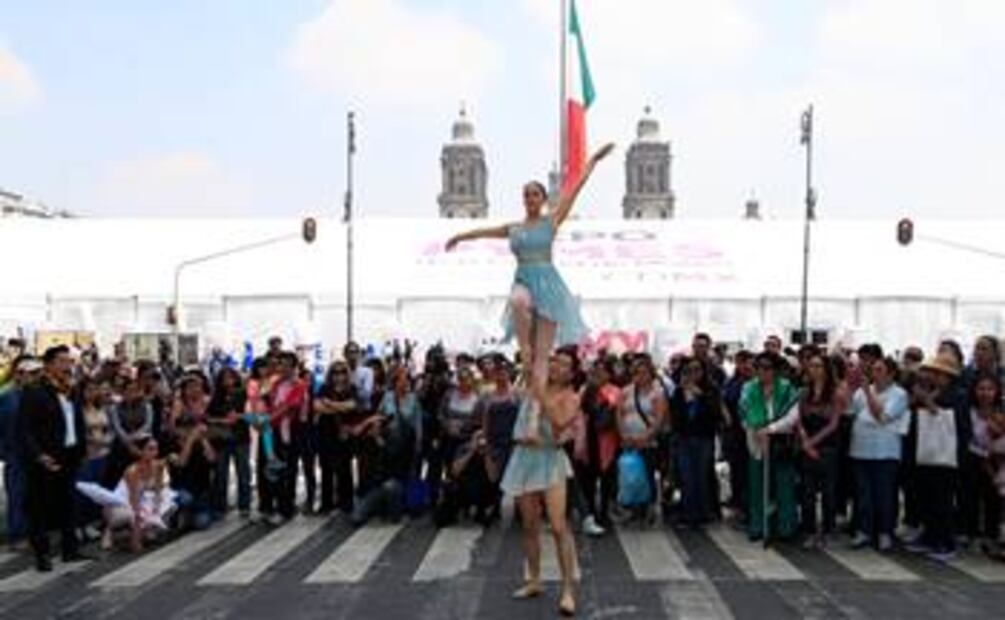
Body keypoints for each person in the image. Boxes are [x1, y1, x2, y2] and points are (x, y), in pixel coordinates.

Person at [446, 143, 615, 443]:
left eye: (535, 194)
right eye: (526, 195)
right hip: (524, 279)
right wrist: (459, 236)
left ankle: (535, 421)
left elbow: (575, 190)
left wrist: (593, 161)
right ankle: (524, 350)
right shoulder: (514, 228)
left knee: (541, 361)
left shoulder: (551, 221)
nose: (530, 199)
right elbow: (485, 231)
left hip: (548, 285)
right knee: (518, 302)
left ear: (543, 198)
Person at [500, 348, 581, 617]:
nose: (557, 366)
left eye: (564, 364)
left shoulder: (571, 397)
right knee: (529, 524)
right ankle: (534, 579)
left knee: (558, 526)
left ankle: (568, 590)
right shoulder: (532, 387)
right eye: (555, 361)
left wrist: (542, 395)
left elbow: (559, 423)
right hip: (524, 458)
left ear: (572, 373)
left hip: (551, 459)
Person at [18, 345, 89, 572]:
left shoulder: (71, 389)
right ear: (48, 365)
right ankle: (42, 554)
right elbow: (25, 429)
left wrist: (82, 448)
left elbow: (77, 420)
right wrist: (39, 455)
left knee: (68, 503)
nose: (67, 366)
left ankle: (70, 549)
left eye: (69, 361)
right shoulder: (34, 391)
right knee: (40, 507)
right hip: (46, 457)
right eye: (62, 361)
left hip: (69, 454)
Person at [905, 352, 971, 562]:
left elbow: (947, 418)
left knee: (943, 500)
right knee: (928, 498)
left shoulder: (958, 395)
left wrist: (926, 399)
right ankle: (931, 537)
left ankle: (946, 542)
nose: (934, 376)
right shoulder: (935, 391)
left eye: (938, 373)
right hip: (929, 453)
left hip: (948, 455)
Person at [848, 357, 910, 552]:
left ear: (891, 374)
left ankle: (885, 531)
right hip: (860, 449)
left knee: (884, 494)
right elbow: (853, 412)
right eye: (873, 369)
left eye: (879, 370)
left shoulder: (899, 394)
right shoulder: (860, 392)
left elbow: (882, 416)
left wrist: (868, 392)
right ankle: (864, 530)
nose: (874, 373)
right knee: (863, 493)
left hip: (885, 451)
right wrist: (860, 390)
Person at [76, 435, 176, 552]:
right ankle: (109, 530)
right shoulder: (132, 471)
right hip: (120, 504)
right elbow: (134, 503)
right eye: (150, 449)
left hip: (142, 500)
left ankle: (138, 532)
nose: (155, 453)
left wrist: (156, 512)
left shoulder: (159, 465)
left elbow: (158, 492)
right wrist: (138, 535)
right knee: (132, 516)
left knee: (168, 505)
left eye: (156, 449)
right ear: (141, 451)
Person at [742, 352, 800, 543]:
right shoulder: (749, 388)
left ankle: (786, 526)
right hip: (756, 440)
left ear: (775, 370)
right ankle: (758, 525)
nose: (762, 371)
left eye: (767, 368)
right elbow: (744, 411)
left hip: (781, 441)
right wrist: (758, 431)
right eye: (758, 367)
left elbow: (793, 416)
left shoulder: (787, 388)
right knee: (757, 485)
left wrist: (772, 429)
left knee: (784, 485)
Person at [671, 356, 725, 529]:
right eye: (689, 370)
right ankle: (689, 513)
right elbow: (675, 416)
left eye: (697, 370)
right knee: (687, 477)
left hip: (704, 438)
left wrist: (700, 397)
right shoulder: (679, 391)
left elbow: (715, 413)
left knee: (702, 475)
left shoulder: (711, 390)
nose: (694, 374)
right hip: (684, 439)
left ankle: (704, 512)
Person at [617, 354, 668, 525]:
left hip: (648, 441)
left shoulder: (657, 393)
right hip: (629, 440)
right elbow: (619, 414)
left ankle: (649, 508)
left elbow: (659, 419)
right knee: (631, 475)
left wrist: (645, 437)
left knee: (647, 474)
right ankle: (633, 509)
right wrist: (623, 434)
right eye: (637, 373)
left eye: (644, 373)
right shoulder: (626, 391)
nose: (640, 376)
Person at [0, 355, 41, 549]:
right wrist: (4, 451)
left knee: (32, 494)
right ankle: (17, 535)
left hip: (34, 452)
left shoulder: (35, 394)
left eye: (36, 373)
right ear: (18, 373)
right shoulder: (7, 396)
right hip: (15, 452)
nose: (34, 377)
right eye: (30, 373)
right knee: (17, 494)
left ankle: (31, 531)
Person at [576, 356, 621, 532]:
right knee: (588, 479)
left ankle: (604, 512)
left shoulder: (615, 391)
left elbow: (612, 407)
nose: (598, 374)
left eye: (602, 370)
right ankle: (591, 512)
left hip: (607, 440)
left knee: (607, 479)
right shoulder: (585, 390)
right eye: (596, 370)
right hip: (588, 439)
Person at [961, 373, 1002, 547]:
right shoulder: (968, 410)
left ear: (997, 391)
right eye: (981, 389)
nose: (985, 393)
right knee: (970, 496)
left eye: (990, 389)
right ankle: (970, 531)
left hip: (995, 460)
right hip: (972, 458)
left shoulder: (1001, 411)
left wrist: (996, 428)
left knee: (993, 497)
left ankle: (991, 534)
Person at [314, 360, 360, 514]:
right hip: (325, 433)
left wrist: (329, 403)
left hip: (343, 434)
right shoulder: (324, 388)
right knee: (326, 469)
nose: (339, 375)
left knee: (344, 469)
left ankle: (346, 503)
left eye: (342, 372)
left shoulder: (351, 388)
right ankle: (326, 503)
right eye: (335, 372)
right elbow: (317, 407)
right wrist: (340, 407)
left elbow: (352, 405)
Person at [207, 367, 250, 518]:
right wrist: (222, 420)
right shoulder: (216, 397)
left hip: (241, 437)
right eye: (224, 378)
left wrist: (239, 416)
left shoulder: (242, 393)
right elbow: (208, 417)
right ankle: (221, 506)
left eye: (230, 377)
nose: (228, 381)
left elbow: (250, 412)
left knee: (243, 472)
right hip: (222, 439)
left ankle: (244, 505)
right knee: (221, 474)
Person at [722, 350, 754, 522]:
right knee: (737, 469)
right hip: (734, 432)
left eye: (748, 362)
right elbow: (723, 401)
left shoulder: (755, 383)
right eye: (742, 362)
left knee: (749, 471)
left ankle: (748, 505)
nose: (745, 366)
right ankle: (739, 503)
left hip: (752, 431)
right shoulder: (732, 382)